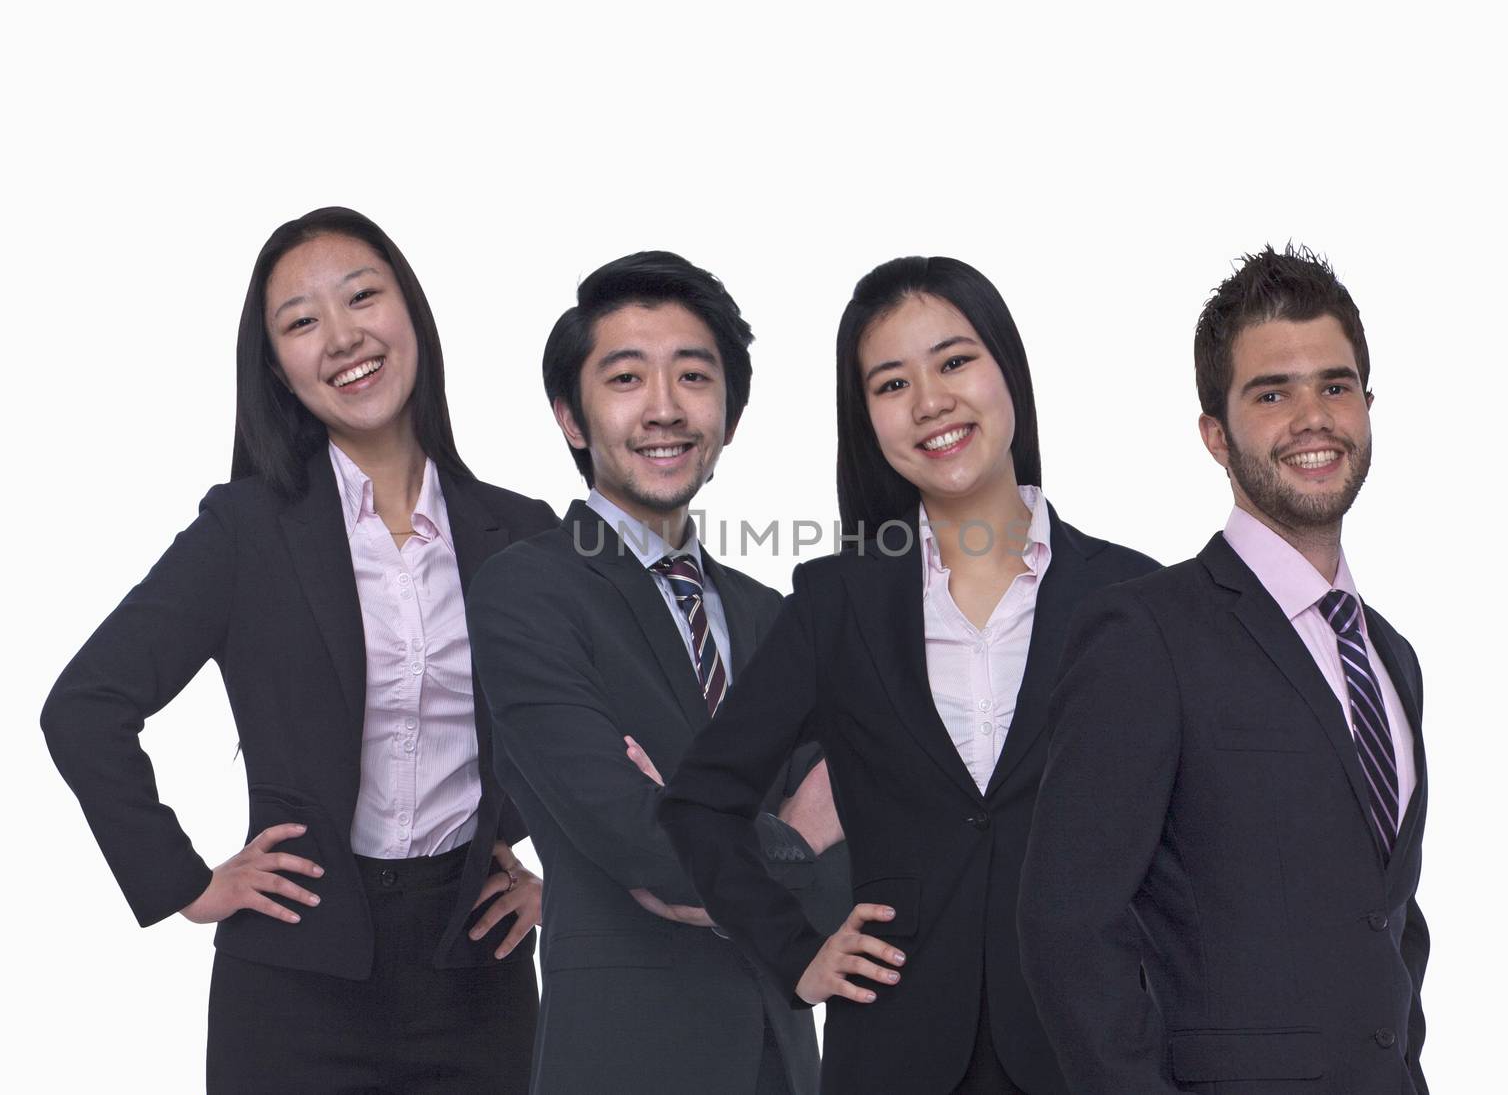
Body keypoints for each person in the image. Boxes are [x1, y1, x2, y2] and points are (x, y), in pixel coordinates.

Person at [40, 207, 554, 1094]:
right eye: (302, 321)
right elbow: (85, 705)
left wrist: (570, 888)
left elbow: (615, 731)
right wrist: (185, 882)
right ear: (277, 367)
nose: (344, 336)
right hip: (292, 985)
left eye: (363, 297)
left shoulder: (522, 533)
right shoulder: (245, 531)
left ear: (412, 314)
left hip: (478, 976)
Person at [658, 256, 1159, 1094]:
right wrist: (797, 953)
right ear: (869, 419)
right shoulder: (835, 602)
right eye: (892, 384)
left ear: (1010, 371)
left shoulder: (1136, 596)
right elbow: (701, 799)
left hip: (1094, 1054)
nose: (930, 401)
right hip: (895, 1052)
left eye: (955, 361)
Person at [1018, 245, 1429, 1094]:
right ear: (1216, 434)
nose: (1312, 417)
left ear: (1368, 406)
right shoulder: (1144, 634)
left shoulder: (1391, 657)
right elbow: (1066, 927)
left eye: (1335, 385)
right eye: (1271, 393)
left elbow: (1388, 920)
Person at [466, 250, 849, 1095]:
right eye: (627, 378)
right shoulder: (527, 591)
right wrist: (791, 835)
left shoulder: (777, 613)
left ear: (730, 415)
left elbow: (852, 872)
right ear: (571, 416)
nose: (666, 409)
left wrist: (700, 843)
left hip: (785, 1064)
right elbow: (630, 835)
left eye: (694, 377)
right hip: (622, 1060)